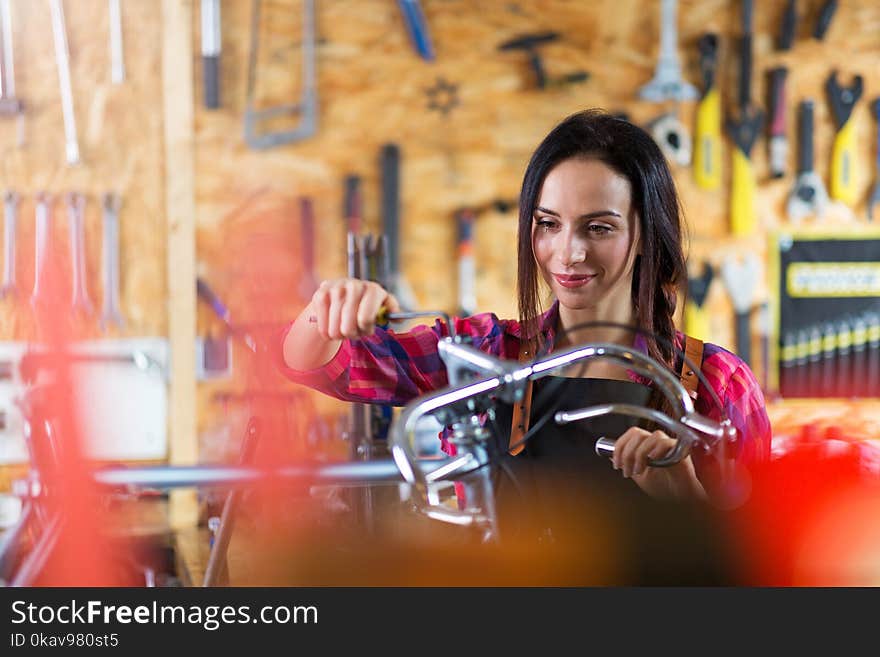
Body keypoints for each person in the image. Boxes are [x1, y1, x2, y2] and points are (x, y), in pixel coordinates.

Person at [280, 109, 771, 526]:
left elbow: (764, 569)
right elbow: (317, 365)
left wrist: (685, 502)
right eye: (548, 225)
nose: (568, 253)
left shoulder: (716, 384)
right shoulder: (484, 356)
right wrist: (327, 312)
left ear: (645, 232)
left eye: (598, 227)